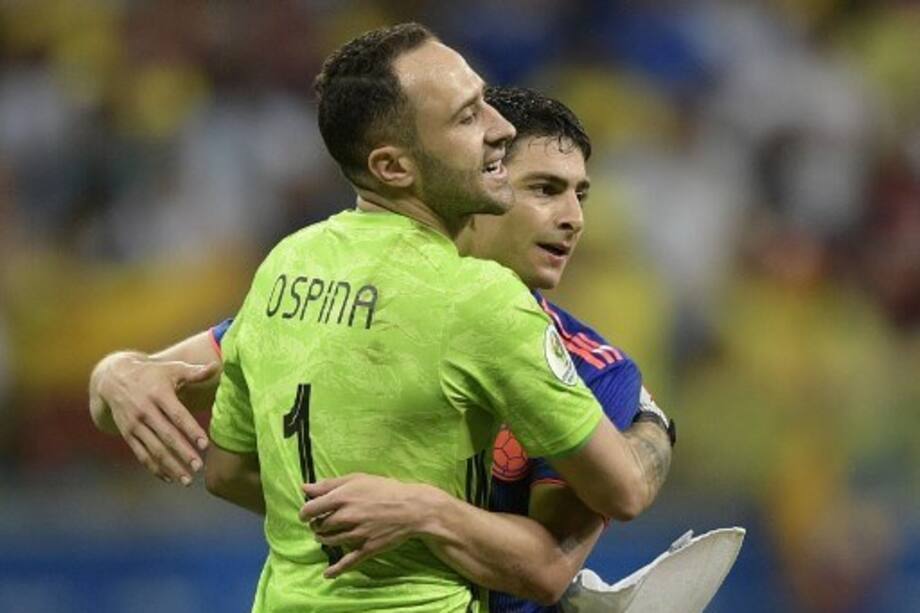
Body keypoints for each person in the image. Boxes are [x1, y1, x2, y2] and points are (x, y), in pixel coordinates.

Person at [90, 24, 673, 613]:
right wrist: (654, 426)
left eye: (581, 195)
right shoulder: (471, 299)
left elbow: (548, 569)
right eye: (544, 189)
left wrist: (414, 518)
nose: (572, 217)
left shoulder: (294, 263)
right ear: (395, 168)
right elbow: (584, 531)